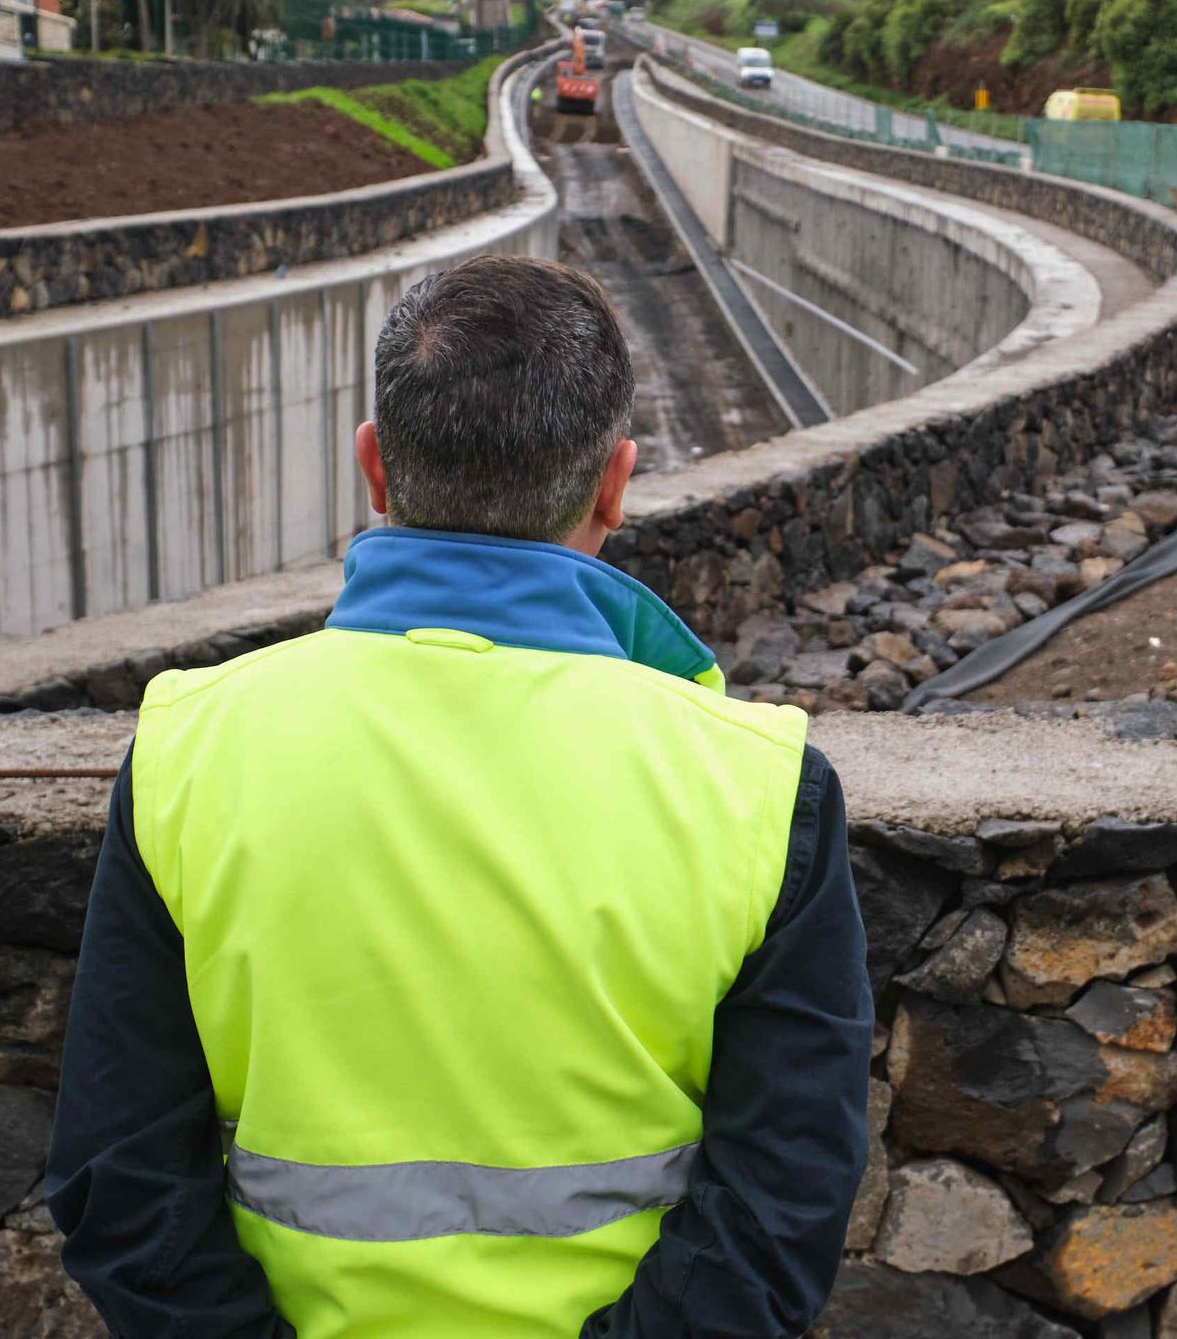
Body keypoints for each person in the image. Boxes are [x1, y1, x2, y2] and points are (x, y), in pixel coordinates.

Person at [46, 255, 874, 1338]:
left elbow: (120, 1176)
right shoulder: (759, 787)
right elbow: (780, 1206)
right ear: (615, 483)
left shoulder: (189, 750)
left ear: (373, 467)